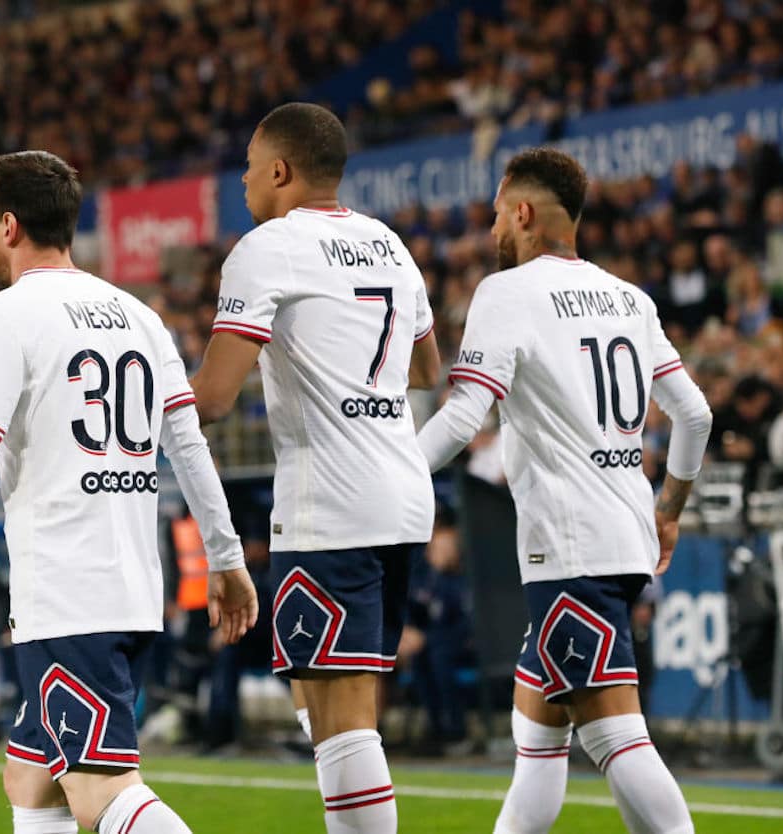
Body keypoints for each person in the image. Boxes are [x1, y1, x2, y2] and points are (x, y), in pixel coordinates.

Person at [0, 150, 257, 834]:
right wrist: (226, 558)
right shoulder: (139, 316)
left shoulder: (5, 317)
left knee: (101, 793)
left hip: (70, 593)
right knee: (31, 778)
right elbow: (187, 447)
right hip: (126, 585)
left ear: (10, 226)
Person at [416, 148, 713, 834]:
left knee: (614, 738)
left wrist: (392, 476)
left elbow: (466, 414)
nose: (491, 230)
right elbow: (694, 415)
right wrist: (669, 510)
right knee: (539, 739)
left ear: (522, 212)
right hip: (624, 535)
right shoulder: (628, 298)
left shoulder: (506, 293)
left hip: (571, 550)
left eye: (496, 214)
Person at [191, 102, 440, 834]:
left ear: (279, 170)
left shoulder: (269, 248)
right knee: (326, 706)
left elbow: (210, 397)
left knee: (340, 720)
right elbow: (427, 368)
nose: (240, 180)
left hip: (329, 500)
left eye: (247, 164)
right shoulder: (389, 244)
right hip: (399, 493)